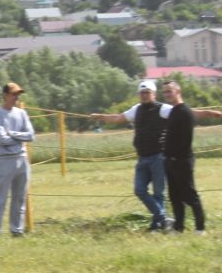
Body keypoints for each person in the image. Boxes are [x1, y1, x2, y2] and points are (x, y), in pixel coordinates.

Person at [88, 80, 173, 230]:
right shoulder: (136, 109)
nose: (144, 96)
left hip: (158, 156)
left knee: (159, 193)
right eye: (142, 93)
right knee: (139, 190)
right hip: (142, 157)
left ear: (154, 94)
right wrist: (100, 117)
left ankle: (156, 226)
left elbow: (182, 114)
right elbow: (117, 118)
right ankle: (163, 219)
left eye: (147, 93)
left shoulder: (164, 109)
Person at [160, 80, 222, 233]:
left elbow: (185, 139)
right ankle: (178, 227)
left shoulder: (184, 112)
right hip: (170, 160)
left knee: (189, 195)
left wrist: (176, 157)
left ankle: (200, 228)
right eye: (165, 92)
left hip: (182, 160)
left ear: (178, 91)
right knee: (174, 196)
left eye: (169, 91)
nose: (167, 94)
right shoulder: (174, 111)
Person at [0, 82, 35, 238]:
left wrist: (12, 134)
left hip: (22, 158)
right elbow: (1, 139)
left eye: (18, 94)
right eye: (14, 94)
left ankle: (17, 229)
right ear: (5, 95)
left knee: (20, 197)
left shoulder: (22, 113)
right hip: (5, 160)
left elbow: (31, 135)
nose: (16, 97)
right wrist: (19, 137)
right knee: (1, 197)